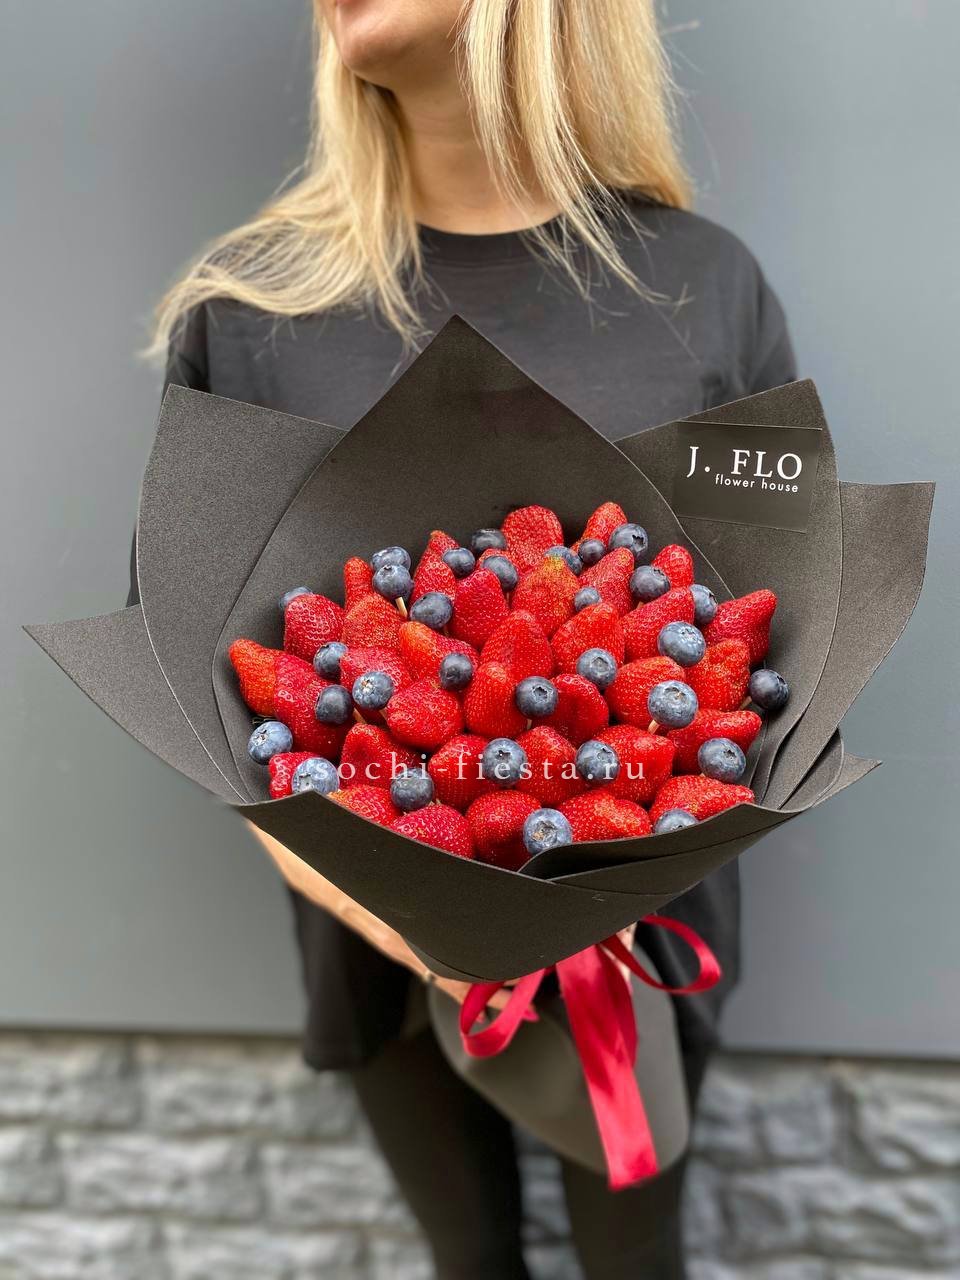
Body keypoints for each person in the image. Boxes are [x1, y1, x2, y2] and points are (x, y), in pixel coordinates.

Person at [133, 2, 795, 1275]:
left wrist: (602, 871)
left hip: (635, 935)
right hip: (373, 927)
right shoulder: (250, 306)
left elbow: (775, 624)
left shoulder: (704, 287)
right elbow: (195, 670)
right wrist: (406, 915)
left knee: (636, 1260)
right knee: (468, 1260)